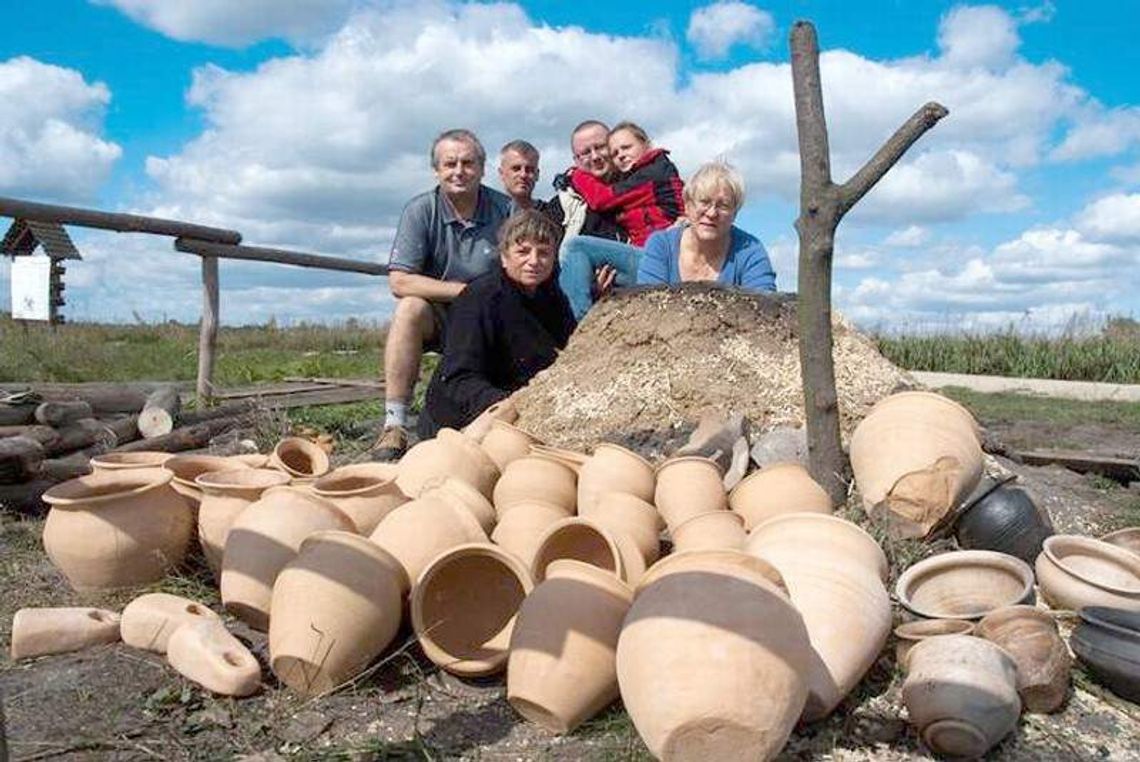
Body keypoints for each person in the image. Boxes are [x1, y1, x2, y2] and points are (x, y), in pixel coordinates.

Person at [374, 128, 513, 460]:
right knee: (409, 309)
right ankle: (394, 423)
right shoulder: (420, 210)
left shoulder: (506, 211)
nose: (459, 171)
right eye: (450, 163)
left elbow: (522, 267)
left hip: (490, 317)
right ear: (436, 169)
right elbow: (400, 282)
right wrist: (464, 292)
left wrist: (483, 300)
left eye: (468, 163)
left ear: (481, 168)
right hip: (443, 314)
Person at [419, 209, 576, 437]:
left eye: (543, 253)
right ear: (504, 256)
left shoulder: (556, 301)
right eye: (523, 252)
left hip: (527, 402)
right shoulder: (479, 299)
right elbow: (457, 378)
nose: (534, 261)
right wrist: (516, 405)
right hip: (460, 417)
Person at [557, 121, 685, 320]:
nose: (621, 155)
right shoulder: (638, 175)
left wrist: (576, 175)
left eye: (626, 147)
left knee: (575, 247)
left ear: (646, 144)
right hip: (648, 266)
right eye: (616, 152)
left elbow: (601, 199)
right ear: (576, 157)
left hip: (660, 259)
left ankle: (579, 324)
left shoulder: (652, 172)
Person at [638, 161, 776, 290]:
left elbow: (767, 307)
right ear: (688, 206)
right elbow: (649, 305)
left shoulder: (750, 251)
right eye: (704, 202)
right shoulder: (661, 246)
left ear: (734, 213)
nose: (711, 213)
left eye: (723, 205)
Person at [538, 120, 627, 248]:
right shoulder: (560, 207)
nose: (595, 156)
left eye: (600, 147)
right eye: (586, 152)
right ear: (576, 160)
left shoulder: (641, 188)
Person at [498, 139, 540, 209]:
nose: (523, 175)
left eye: (529, 170)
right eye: (516, 169)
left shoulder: (551, 215)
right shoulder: (487, 215)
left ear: (537, 175)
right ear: (501, 173)